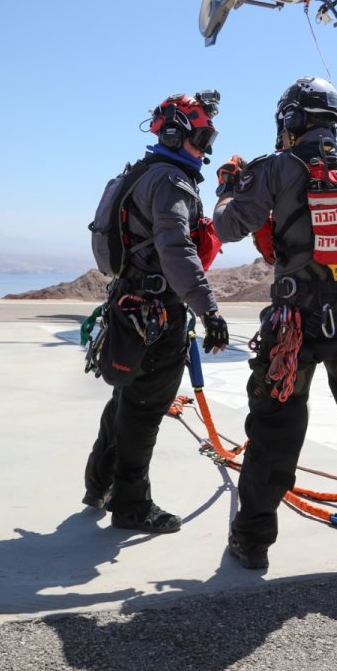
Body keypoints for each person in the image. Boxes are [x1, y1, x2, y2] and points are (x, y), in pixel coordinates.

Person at [212, 76, 337, 569]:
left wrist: (228, 190)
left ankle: (253, 543)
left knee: (275, 431)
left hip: (295, 327)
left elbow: (228, 227)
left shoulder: (277, 167)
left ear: (291, 118)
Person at [83, 91, 229, 534]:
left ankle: (99, 484)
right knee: (144, 409)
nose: (204, 149)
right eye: (200, 138)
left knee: (125, 399)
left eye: (208, 139)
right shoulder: (171, 182)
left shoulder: (141, 173)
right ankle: (132, 506)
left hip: (129, 307)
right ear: (173, 135)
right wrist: (209, 311)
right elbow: (177, 250)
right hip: (156, 315)